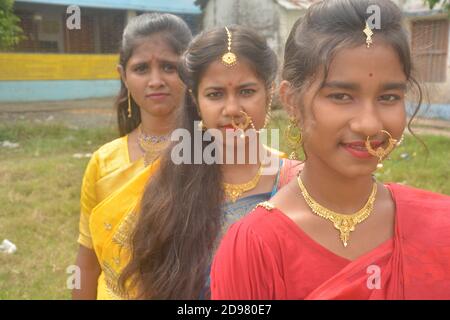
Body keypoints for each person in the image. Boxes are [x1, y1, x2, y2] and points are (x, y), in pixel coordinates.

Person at [211, 0, 450, 299]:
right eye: (341, 96)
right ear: (291, 101)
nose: (369, 124)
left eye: (388, 97)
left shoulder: (440, 225)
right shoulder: (254, 247)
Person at [111, 25, 303, 299]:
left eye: (247, 92)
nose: (233, 109)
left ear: (269, 92)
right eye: (215, 95)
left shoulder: (297, 184)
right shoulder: (170, 184)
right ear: (196, 101)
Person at [72, 13, 192, 299]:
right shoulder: (104, 162)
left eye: (168, 67)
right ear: (123, 76)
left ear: (192, 72)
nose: (155, 80)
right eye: (141, 69)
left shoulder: (214, 154)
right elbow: (88, 264)